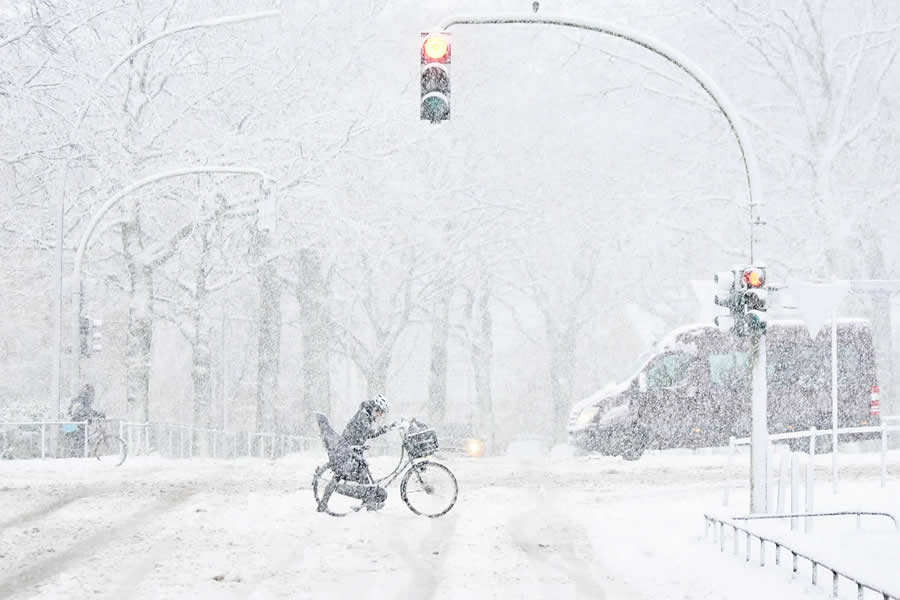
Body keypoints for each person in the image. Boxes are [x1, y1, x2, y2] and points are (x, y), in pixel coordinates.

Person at [318, 394, 396, 512]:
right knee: (346, 475)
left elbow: (364, 433)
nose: (380, 415)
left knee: (359, 477)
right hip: (347, 450)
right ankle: (367, 503)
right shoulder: (364, 416)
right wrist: (385, 429)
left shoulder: (366, 414)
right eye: (380, 412)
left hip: (350, 449)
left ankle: (368, 503)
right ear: (376, 408)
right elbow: (369, 433)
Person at [66, 384, 105, 456]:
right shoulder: (83, 401)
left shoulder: (80, 400)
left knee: (82, 440)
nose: (93, 397)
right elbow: (87, 411)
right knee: (81, 441)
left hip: (74, 426)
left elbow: (86, 411)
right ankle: (79, 456)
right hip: (75, 426)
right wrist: (98, 414)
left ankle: (79, 454)